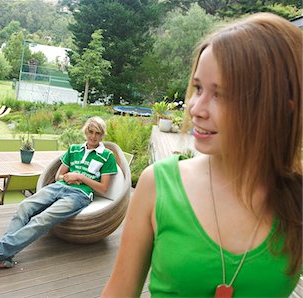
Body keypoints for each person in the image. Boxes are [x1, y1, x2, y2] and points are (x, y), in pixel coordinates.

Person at [102, 13, 301, 297]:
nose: (196, 108)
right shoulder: (158, 184)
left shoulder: (297, 198)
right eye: (198, 88)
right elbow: (119, 291)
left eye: (221, 94)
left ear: (281, 108)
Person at [0, 116, 118, 268]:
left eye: (98, 133)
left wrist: (80, 176)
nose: (93, 137)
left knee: (42, 219)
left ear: (103, 135)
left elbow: (103, 187)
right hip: (58, 187)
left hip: (80, 195)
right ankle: (3, 255)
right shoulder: (74, 149)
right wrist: (68, 177)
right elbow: (58, 176)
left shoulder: (107, 155)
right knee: (24, 207)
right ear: (85, 131)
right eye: (91, 132)